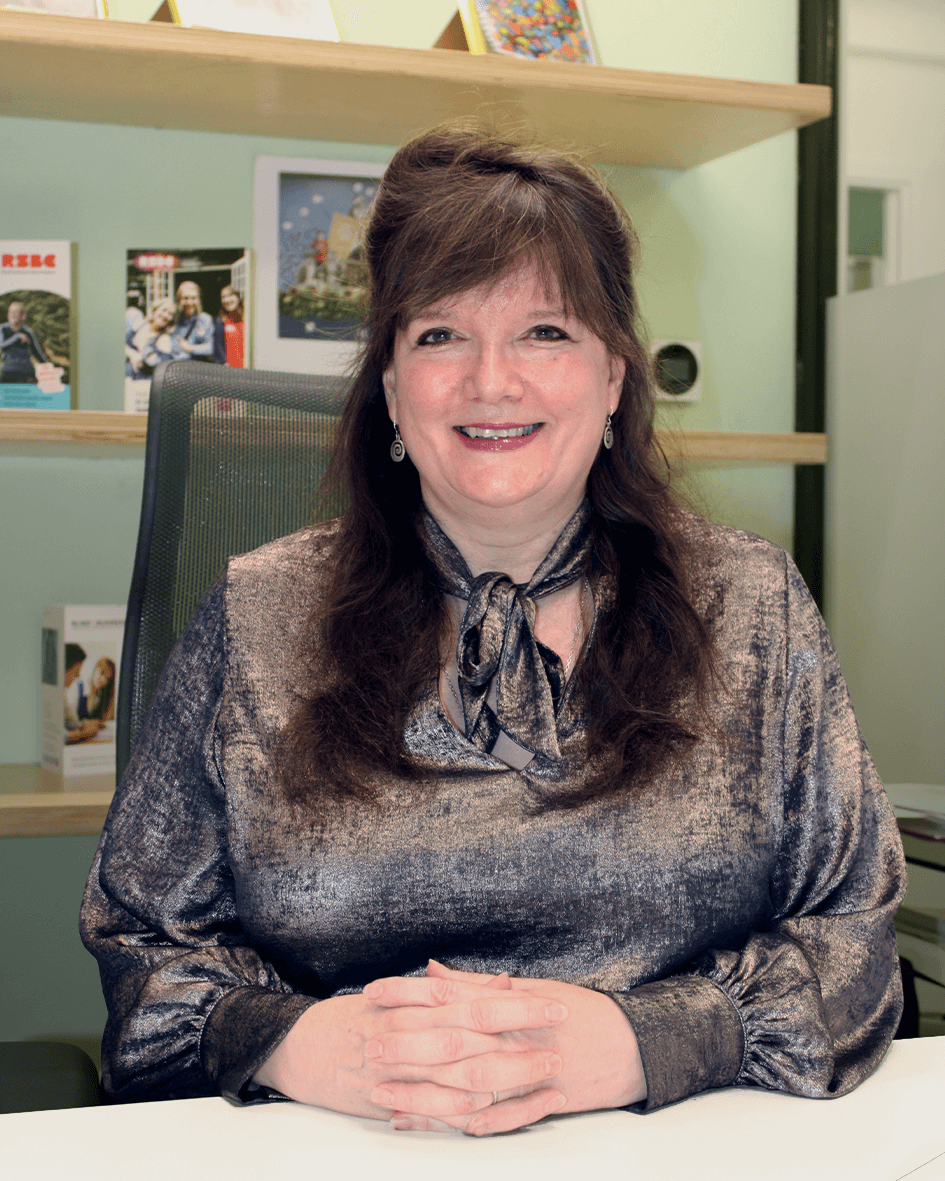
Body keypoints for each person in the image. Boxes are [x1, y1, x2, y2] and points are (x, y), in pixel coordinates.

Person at [81, 128, 905, 1136]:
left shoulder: (751, 603)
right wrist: (289, 1037)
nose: (491, 381)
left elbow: (854, 947)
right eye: (440, 335)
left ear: (613, 379)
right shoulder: (257, 615)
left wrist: (645, 1038)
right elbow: (142, 943)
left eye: (545, 332)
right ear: (390, 386)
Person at [125, 298, 176, 378]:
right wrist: (132, 354)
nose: (165, 315)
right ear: (155, 310)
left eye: (170, 314)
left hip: (141, 380)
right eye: (164, 310)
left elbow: (160, 366)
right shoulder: (141, 324)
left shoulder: (164, 338)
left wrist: (142, 354)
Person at [64, 644, 103, 745]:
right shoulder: (80, 688)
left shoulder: (61, 695)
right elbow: (63, 736)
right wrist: (85, 733)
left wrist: (84, 725)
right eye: (76, 671)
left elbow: (72, 721)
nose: (78, 676)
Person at [1, 300, 48, 383]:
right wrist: (17, 337)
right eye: (11, 312)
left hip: (26, 370)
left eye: (16, 312)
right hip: (8, 370)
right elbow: (2, 345)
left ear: (22, 316)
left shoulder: (28, 332)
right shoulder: (2, 329)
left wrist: (47, 365)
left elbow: (36, 352)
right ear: (8, 315)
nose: (13, 314)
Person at [170, 280, 214, 361]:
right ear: (179, 300)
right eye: (185, 298)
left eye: (193, 298)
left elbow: (212, 347)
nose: (189, 302)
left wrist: (189, 348)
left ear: (199, 300)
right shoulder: (172, 319)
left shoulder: (205, 319)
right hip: (175, 367)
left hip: (196, 368)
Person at [212, 284, 245, 367]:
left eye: (230, 295)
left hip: (247, 368)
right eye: (223, 297)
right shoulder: (220, 321)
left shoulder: (247, 319)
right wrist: (224, 363)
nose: (226, 300)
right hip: (229, 370)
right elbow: (218, 345)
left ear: (238, 297)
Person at [81, 657, 116, 724]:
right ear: (95, 670)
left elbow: (108, 718)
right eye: (102, 673)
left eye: (108, 679)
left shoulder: (102, 695)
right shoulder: (80, 687)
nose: (104, 680)